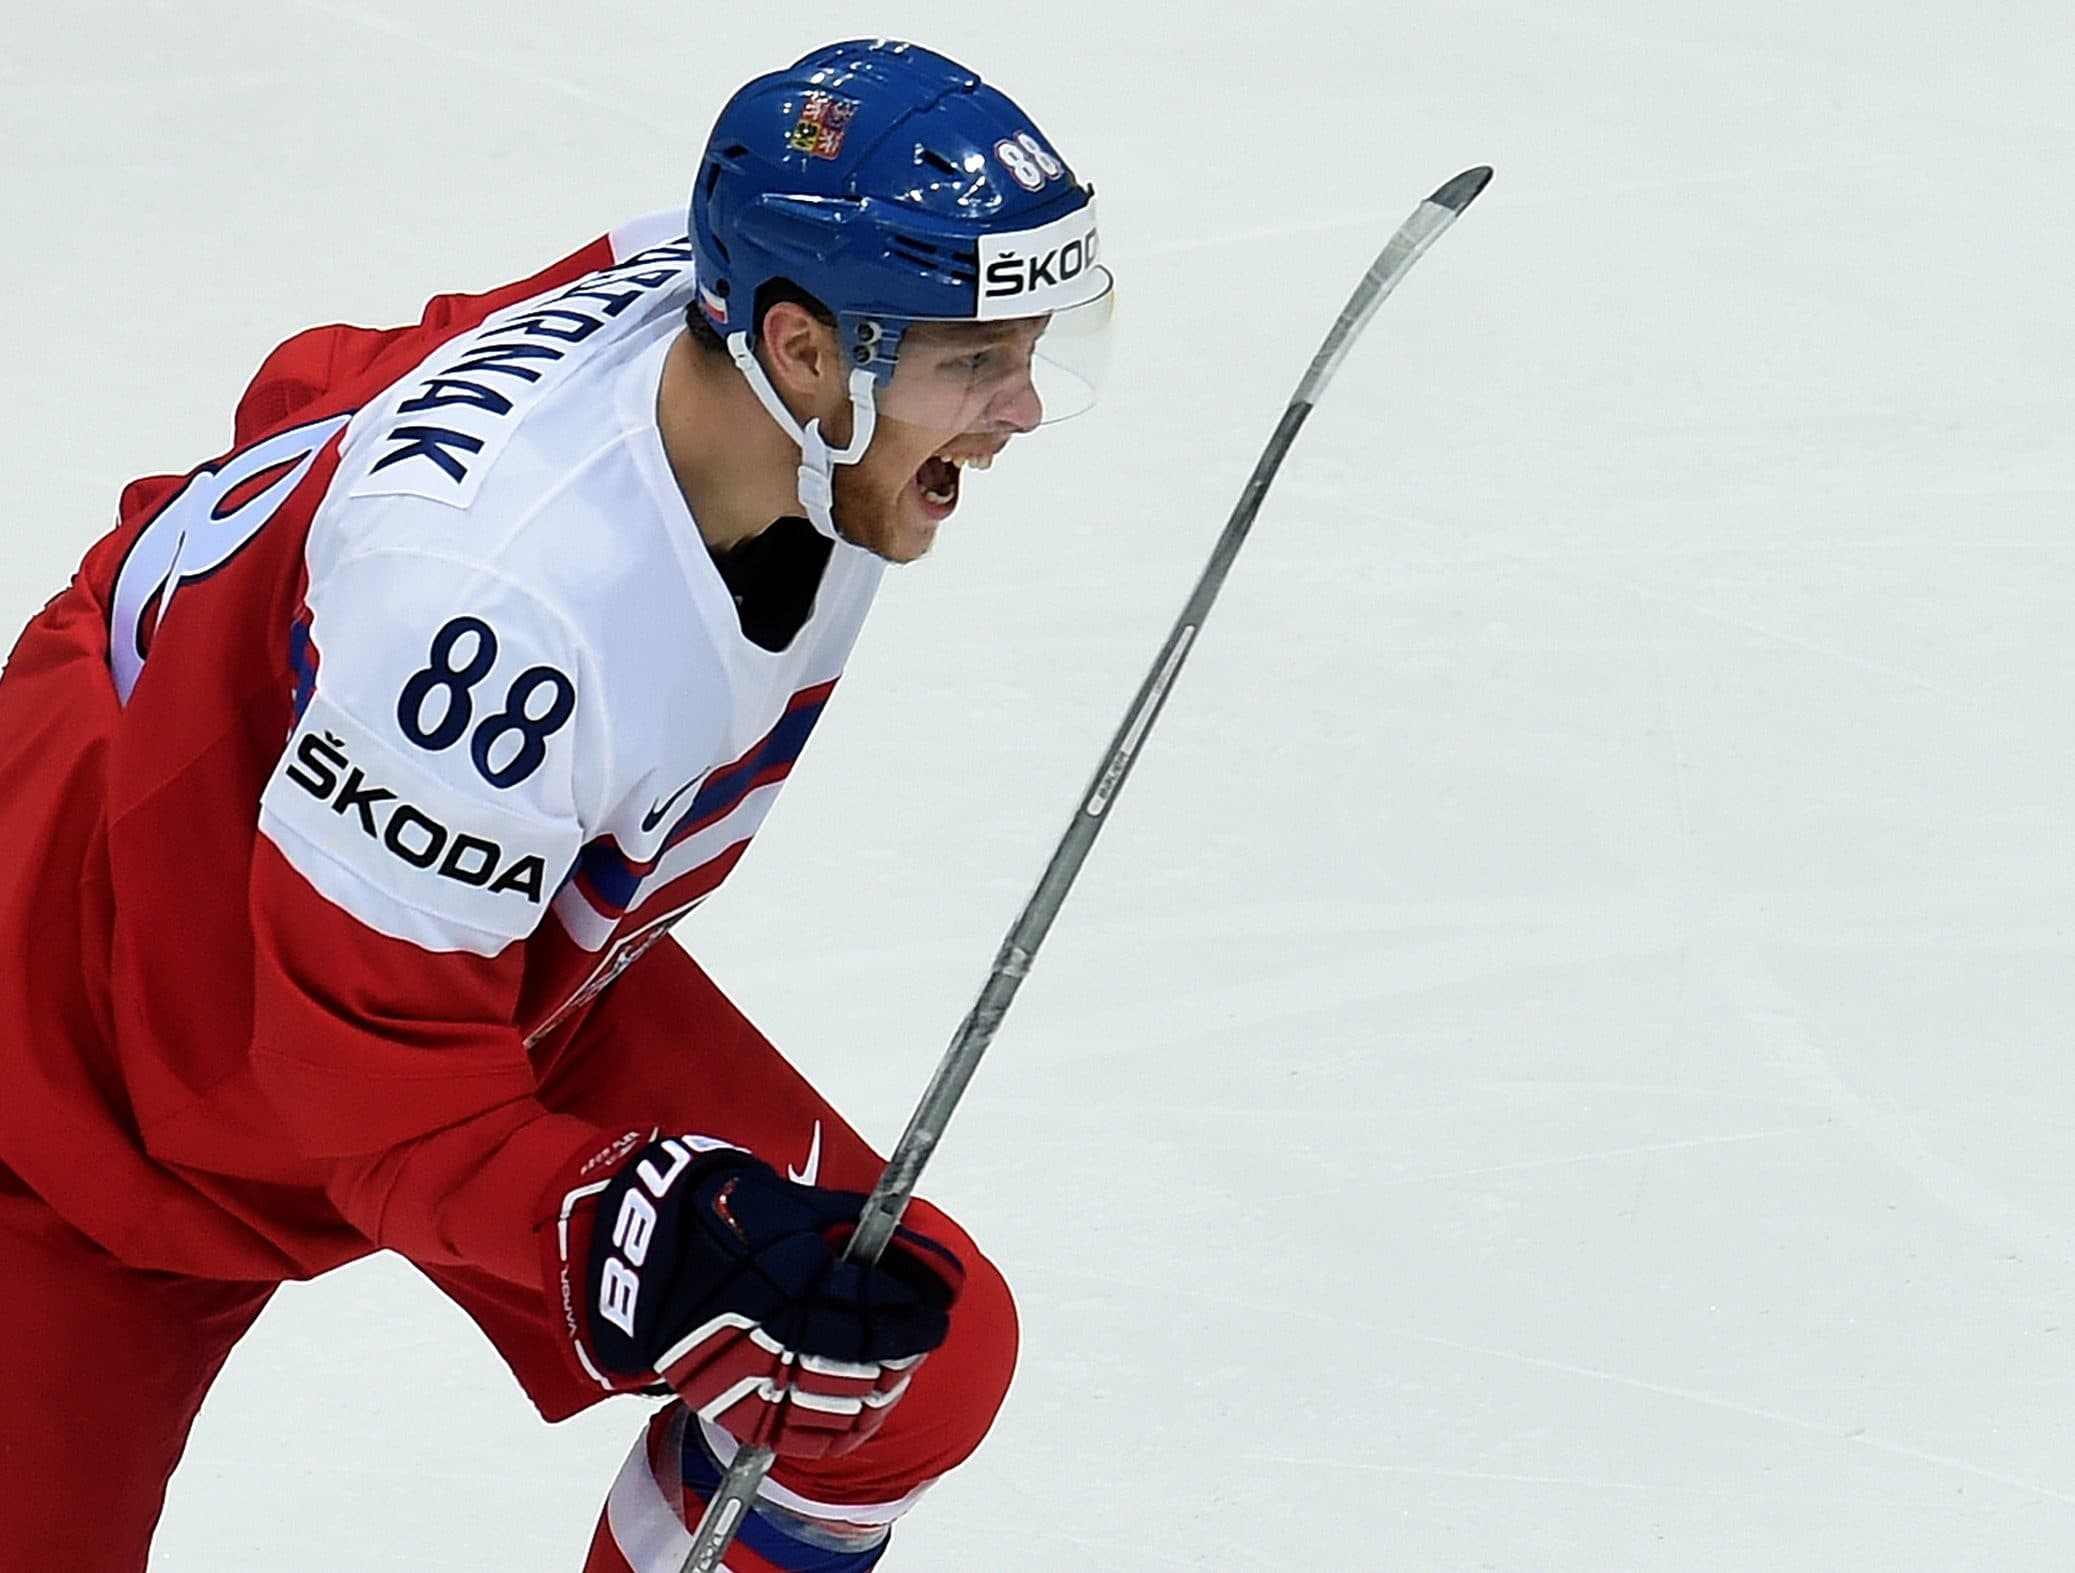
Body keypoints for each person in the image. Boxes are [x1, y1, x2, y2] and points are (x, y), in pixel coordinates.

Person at [0, 38, 1112, 1573]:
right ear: (800, 353)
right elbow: (362, 1084)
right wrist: (627, 1227)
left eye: (1040, 344)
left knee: (884, 1361)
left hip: (436, 954)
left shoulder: (744, 343)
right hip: (78, 1068)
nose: (1023, 408)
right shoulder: (511, 610)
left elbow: (326, 383)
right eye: (975, 360)